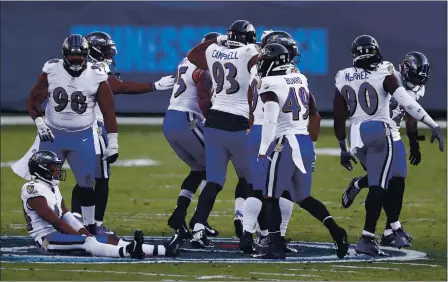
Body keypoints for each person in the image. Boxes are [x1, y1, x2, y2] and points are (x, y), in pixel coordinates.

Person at [333, 35, 443, 255]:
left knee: (396, 178)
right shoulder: (387, 72)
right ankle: (374, 235)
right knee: (381, 184)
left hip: (362, 135)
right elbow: (408, 105)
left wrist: (343, 148)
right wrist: (433, 124)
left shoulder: (342, 75)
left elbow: (338, 116)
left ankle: (391, 230)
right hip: (382, 132)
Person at [246, 43, 348, 259]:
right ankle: (337, 231)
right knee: (303, 197)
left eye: (264, 59)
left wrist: (263, 150)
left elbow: (271, 119)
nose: (261, 63)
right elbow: (312, 111)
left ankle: (275, 247)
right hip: (304, 141)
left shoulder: (269, 82)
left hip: (284, 142)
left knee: (270, 196)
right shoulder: (300, 78)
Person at [25, 34, 119, 234]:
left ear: (86, 55)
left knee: (86, 182)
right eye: (72, 57)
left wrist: (113, 141)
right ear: (64, 55)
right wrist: (39, 121)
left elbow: (108, 110)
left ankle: (91, 225)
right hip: (53, 134)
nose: (76, 61)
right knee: (44, 181)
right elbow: (34, 98)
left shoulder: (96, 73)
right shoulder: (52, 69)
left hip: (82, 135)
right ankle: (47, 225)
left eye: (80, 57)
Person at [22, 150, 181, 258]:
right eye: (53, 167)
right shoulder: (32, 189)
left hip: (59, 234)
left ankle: (163, 249)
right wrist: (81, 235)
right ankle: (127, 252)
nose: (57, 170)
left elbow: (66, 215)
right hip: (45, 239)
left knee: (106, 237)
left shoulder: (53, 187)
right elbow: (55, 221)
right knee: (88, 242)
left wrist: (84, 230)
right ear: (41, 169)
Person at [186, 20, 259, 247]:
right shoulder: (250, 52)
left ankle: (198, 226)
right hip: (238, 122)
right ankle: (253, 230)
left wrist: (216, 40)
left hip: (214, 121)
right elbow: (263, 62)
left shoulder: (214, 50)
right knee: (254, 180)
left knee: (214, 181)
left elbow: (192, 56)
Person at [164, 32, 221, 239]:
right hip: (188, 118)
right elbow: (202, 84)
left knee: (199, 168)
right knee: (215, 165)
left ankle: (179, 214)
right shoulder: (203, 66)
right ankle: (200, 220)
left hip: (171, 118)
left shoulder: (185, 60)